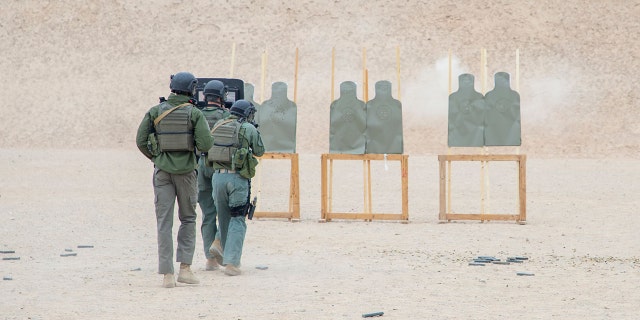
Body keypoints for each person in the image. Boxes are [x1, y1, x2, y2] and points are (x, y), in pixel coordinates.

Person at [135, 72, 214, 288]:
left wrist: (157, 158)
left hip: (162, 172)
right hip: (187, 172)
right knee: (188, 219)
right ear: (191, 89)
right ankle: (185, 270)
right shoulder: (195, 113)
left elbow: (140, 140)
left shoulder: (154, 111)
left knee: (164, 222)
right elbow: (206, 144)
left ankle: (167, 275)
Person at [207, 99, 264, 276]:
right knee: (238, 218)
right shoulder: (248, 128)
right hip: (237, 178)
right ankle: (232, 263)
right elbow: (260, 150)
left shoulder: (218, 124)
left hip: (217, 178)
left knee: (223, 218)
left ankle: (220, 252)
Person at [197, 80, 230, 271]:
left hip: (200, 164)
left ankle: (210, 259)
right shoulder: (226, 116)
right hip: (219, 165)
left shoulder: (197, 115)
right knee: (224, 210)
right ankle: (218, 243)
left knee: (207, 213)